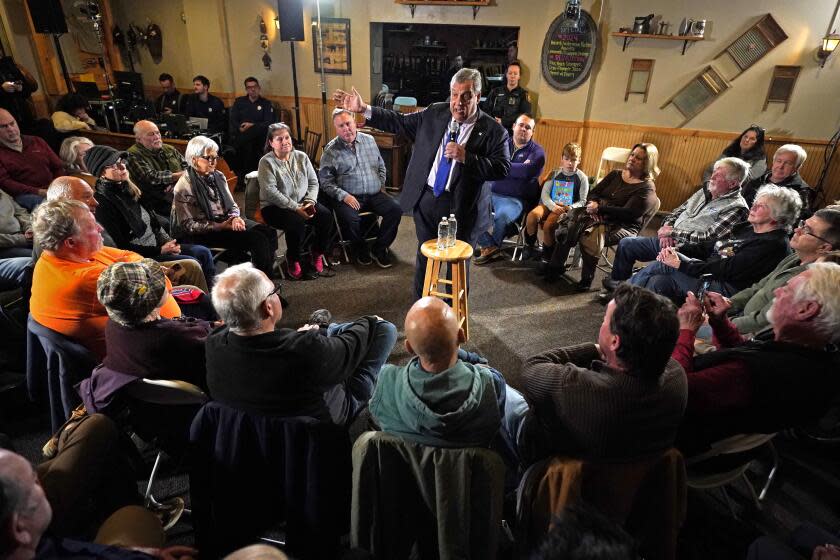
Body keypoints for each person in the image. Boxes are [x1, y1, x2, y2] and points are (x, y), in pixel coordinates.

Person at [333, 67, 510, 298]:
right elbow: (399, 122)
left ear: (477, 96)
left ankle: (452, 318)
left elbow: (502, 168)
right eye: (454, 94)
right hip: (428, 199)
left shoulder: (494, 131)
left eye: (465, 96)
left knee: (456, 267)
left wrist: (468, 158)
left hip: (463, 209)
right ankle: (421, 308)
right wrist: (364, 109)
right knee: (424, 258)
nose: (458, 102)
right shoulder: (435, 113)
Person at [673, 263, 840, 453]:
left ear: (806, 309)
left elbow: (674, 389)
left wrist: (685, 330)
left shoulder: (756, 373)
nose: (777, 291)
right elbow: (747, 353)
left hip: (679, 439)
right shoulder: (816, 354)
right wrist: (720, 323)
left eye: (787, 289)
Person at [206, 262, 397, 426]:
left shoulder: (213, 343)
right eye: (275, 290)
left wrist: (300, 338)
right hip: (324, 421)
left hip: (251, 430)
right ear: (268, 307)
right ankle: (325, 328)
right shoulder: (306, 349)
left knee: (320, 337)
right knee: (385, 329)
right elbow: (358, 338)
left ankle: (322, 326)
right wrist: (371, 319)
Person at [515, 284, 687, 464]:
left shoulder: (577, 388)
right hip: (639, 479)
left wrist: (596, 349)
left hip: (553, 469)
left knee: (495, 385)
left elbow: (531, 368)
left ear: (615, 341)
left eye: (604, 320)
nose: (601, 324)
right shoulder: (677, 379)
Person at [0, 416, 196, 559]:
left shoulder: (31, 544)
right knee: (136, 517)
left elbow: (54, 548)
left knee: (98, 425)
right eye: (34, 482)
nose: (38, 481)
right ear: (19, 529)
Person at [29, 199, 181, 358]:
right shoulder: (85, 279)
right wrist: (151, 273)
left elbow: (126, 254)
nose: (100, 228)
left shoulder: (61, 255)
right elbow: (161, 289)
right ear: (71, 242)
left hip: (153, 328)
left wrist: (146, 271)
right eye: (92, 227)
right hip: (147, 352)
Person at [370, 296, 510, 449]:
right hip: (471, 470)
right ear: (461, 336)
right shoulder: (491, 384)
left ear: (409, 348)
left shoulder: (384, 382)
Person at [629, 185, 799, 303]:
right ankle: (644, 319)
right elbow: (711, 245)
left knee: (665, 265)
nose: (753, 208)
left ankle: (622, 297)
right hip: (710, 274)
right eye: (755, 203)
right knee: (658, 282)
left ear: (777, 217)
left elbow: (726, 269)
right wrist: (679, 249)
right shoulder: (749, 227)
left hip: (726, 290)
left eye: (761, 206)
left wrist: (682, 264)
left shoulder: (773, 244)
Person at [602, 156, 750, 292]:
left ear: (733, 183)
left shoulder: (736, 208)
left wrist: (672, 233)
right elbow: (676, 212)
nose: (712, 176)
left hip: (688, 251)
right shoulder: (705, 189)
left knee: (658, 273)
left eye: (719, 175)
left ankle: (623, 293)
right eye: (714, 172)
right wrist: (666, 229)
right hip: (669, 239)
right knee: (627, 244)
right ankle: (618, 285)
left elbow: (708, 237)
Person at [86, 145, 215, 290]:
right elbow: (122, 246)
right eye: (115, 165)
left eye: (122, 162)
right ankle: (200, 302)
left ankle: (211, 297)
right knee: (192, 263)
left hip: (157, 246)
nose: (122, 167)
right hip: (143, 255)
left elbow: (154, 223)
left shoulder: (129, 188)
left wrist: (168, 243)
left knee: (203, 252)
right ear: (102, 172)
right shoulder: (103, 203)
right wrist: (160, 250)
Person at [542, 143, 659, 291]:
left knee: (589, 236)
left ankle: (586, 279)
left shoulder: (646, 188)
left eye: (639, 158)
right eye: (632, 155)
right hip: (597, 215)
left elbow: (627, 213)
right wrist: (595, 205)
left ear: (648, 163)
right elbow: (594, 193)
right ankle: (555, 267)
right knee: (570, 223)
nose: (632, 159)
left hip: (623, 226)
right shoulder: (616, 174)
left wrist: (600, 209)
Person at [171, 135, 278, 278]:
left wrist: (235, 218)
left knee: (268, 232)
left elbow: (232, 204)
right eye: (208, 158)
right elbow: (188, 226)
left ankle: (264, 274)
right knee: (258, 240)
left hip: (225, 221)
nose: (213, 162)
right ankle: (263, 285)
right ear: (194, 159)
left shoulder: (218, 176)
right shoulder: (184, 187)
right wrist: (220, 226)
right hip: (205, 232)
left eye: (215, 157)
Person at [725, 207, 840, 335]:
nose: (797, 229)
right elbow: (757, 287)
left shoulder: (811, 280)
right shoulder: (795, 256)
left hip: (749, 334)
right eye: (803, 224)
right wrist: (726, 305)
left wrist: (723, 323)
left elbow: (764, 321)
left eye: (807, 230)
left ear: (823, 247)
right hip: (739, 318)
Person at [319, 108, 402, 268]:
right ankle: (360, 248)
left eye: (348, 123)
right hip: (348, 196)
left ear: (355, 122)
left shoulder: (369, 140)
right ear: (336, 129)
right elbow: (326, 182)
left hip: (374, 193)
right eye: (341, 126)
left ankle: (379, 248)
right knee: (351, 219)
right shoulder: (330, 151)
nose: (346, 129)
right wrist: (344, 196)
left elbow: (381, 166)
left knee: (396, 210)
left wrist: (381, 184)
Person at [258, 122, 332, 280]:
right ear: (271, 143)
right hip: (275, 207)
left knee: (325, 216)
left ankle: (317, 252)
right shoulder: (266, 162)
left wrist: (310, 201)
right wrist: (295, 207)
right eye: (279, 139)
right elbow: (270, 192)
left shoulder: (301, 157)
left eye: (287, 137)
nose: (285, 142)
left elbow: (313, 182)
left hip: (303, 202)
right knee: (296, 222)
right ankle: (293, 259)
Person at [474, 113, 545, 264]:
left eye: (528, 127)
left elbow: (526, 172)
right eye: (521, 125)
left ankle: (489, 247)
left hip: (516, 200)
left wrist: (501, 166)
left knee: (503, 216)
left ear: (533, 132)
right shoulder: (500, 143)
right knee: (467, 207)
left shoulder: (538, 153)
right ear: (513, 126)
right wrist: (516, 168)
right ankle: (491, 246)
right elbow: (488, 163)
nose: (524, 129)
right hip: (490, 192)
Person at [524, 142, 589, 263]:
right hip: (549, 204)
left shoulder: (582, 178)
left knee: (549, 226)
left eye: (574, 160)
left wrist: (570, 207)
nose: (570, 163)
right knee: (532, 216)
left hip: (565, 209)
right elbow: (545, 194)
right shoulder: (554, 173)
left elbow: (583, 200)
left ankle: (546, 256)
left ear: (579, 160)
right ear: (562, 159)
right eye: (567, 159)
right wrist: (552, 206)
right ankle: (529, 246)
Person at [0, 108, 63, 211]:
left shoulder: (36, 141)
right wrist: (39, 191)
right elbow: (5, 183)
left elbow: (58, 166)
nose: (11, 129)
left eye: (12, 123)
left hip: (53, 187)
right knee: (52, 207)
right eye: (4, 126)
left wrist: (57, 185)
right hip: (25, 195)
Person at [126, 120, 187, 219]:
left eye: (158, 132)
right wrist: (177, 176)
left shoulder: (169, 149)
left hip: (178, 192)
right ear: (138, 139)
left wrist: (176, 183)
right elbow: (149, 177)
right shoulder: (132, 155)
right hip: (155, 203)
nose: (157, 137)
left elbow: (187, 168)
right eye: (151, 134)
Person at [742, 144, 813, 219]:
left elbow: (797, 220)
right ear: (773, 161)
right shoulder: (756, 181)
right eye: (779, 161)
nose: (781, 166)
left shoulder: (802, 190)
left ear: (797, 167)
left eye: (788, 163)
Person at [229, 77, 276, 175]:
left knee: (250, 139)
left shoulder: (265, 103)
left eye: (255, 86)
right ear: (246, 89)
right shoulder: (239, 102)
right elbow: (233, 119)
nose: (253, 89)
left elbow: (269, 122)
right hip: (242, 133)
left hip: (261, 136)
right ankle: (251, 176)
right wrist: (239, 128)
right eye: (249, 87)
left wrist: (252, 125)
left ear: (259, 88)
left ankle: (244, 177)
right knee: (249, 145)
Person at [701, 125, 767, 184]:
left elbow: (745, 180)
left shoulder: (760, 159)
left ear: (758, 143)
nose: (746, 140)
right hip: (714, 188)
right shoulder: (731, 150)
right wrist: (708, 187)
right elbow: (710, 169)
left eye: (752, 139)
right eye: (745, 136)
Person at [480, 60, 532, 133]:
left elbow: (525, 114)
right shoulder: (496, 91)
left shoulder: (523, 94)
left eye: (515, 73)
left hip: (512, 132)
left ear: (519, 76)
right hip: (493, 129)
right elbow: (485, 108)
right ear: (506, 75)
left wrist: (504, 121)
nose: (512, 76)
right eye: (510, 73)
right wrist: (493, 121)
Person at [0, 55, 37, 131]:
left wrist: (21, 88)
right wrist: (2, 89)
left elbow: (27, 91)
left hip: (25, 116)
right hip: (5, 123)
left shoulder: (9, 65)